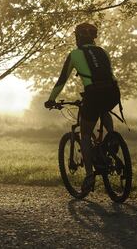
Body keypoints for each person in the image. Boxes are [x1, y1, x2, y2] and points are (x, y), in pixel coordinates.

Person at [44, 22, 120, 192]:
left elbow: (62, 80)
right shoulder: (103, 52)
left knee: (85, 134)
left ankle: (89, 175)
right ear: (93, 38)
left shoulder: (75, 54)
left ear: (77, 37)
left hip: (93, 93)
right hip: (114, 92)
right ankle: (112, 136)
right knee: (104, 108)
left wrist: (51, 100)